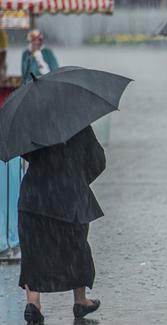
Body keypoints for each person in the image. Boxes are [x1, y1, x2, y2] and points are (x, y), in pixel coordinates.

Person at [18, 127, 105, 324]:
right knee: (76, 248)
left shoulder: (31, 123)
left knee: (34, 250)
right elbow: (98, 161)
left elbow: (25, 153)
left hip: (33, 196)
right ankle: (81, 300)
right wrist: (76, 177)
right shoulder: (77, 124)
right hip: (69, 195)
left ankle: (33, 304)